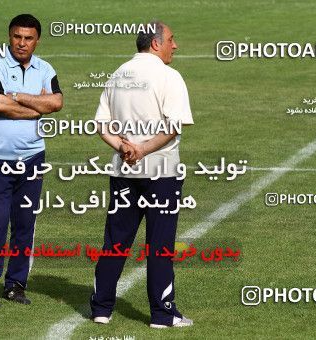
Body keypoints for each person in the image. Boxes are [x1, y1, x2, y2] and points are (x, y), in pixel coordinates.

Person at [90, 21, 194, 328]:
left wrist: (125, 148)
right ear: (155, 44)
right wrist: (144, 149)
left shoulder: (117, 74)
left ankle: (101, 308)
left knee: (116, 241)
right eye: (171, 40)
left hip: (124, 171)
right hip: (161, 172)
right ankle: (162, 314)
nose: (175, 46)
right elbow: (173, 126)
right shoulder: (169, 76)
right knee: (160, 244)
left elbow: (101, 125)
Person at [0, 14, 63, 308]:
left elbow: (57, 103)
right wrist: (36, 107)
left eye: (28, 38)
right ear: (9, 36)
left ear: (37, 40)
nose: (21, 43)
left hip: (32, 159)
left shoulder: (45, 68)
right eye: (16, 36)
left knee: (25, 224)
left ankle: (15, 284)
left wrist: (17, 96)